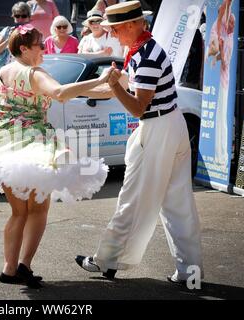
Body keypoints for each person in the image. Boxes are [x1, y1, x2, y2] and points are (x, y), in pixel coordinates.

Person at [0, 24, 110, 289]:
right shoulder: (34, 72)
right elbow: (59, 93)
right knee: (39, 208)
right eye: (39, 44)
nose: (44, 48)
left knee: (18, 212)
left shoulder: (1, 72)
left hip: (5, 141)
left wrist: (110, 89)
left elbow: (68, 89)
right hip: (33, 142)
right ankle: (23, 265)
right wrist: (103, 80)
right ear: (24, 49)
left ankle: (9, 268)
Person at [74, 1, 203, 285]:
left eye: (116, 29)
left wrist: (115, 85)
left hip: (157, 127)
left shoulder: (144, 55)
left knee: (131, 199)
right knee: (178, 203)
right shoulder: (144, 50)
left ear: (133, 25)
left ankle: (106, 261)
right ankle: (190, 274)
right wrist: (76, 90)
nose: (114, 34)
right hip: (171, 124)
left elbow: (137, 107)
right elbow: (118, 88)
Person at [212, 0, 235, 166]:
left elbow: (225, 60)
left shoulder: (229, 38)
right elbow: (223, 15)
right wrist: (216, 57)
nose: (232, 23)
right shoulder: (225, 35)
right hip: (220, 82)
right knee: (219, 122)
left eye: (233, 21)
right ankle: (220, 156)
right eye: (231, 21)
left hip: (224, 83)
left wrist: (228, 4)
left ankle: (223, 157)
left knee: (222, 122)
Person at [0, 1, 31, 78]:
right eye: (17, 16)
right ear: (13, 17)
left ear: (29, 17)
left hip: (24, 69)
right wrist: (9, 40)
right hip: (7, 69)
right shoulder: (7, 30)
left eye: (23, 16)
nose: (20, 19)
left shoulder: (33, 32)